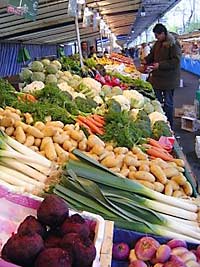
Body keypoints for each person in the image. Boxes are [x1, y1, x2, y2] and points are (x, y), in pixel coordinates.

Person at [143, 23, 182, 129]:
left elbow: (176, 61)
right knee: (157, 102)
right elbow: (152, 55)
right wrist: (146, 59)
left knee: (168, 103)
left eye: (157, 35)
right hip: (157, 78)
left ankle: (169, 125)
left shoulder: (173, 44)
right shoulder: (157, 43)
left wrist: (160, 65)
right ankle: (160, 122)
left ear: (163, 33)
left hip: (169, 79)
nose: (156, 37)